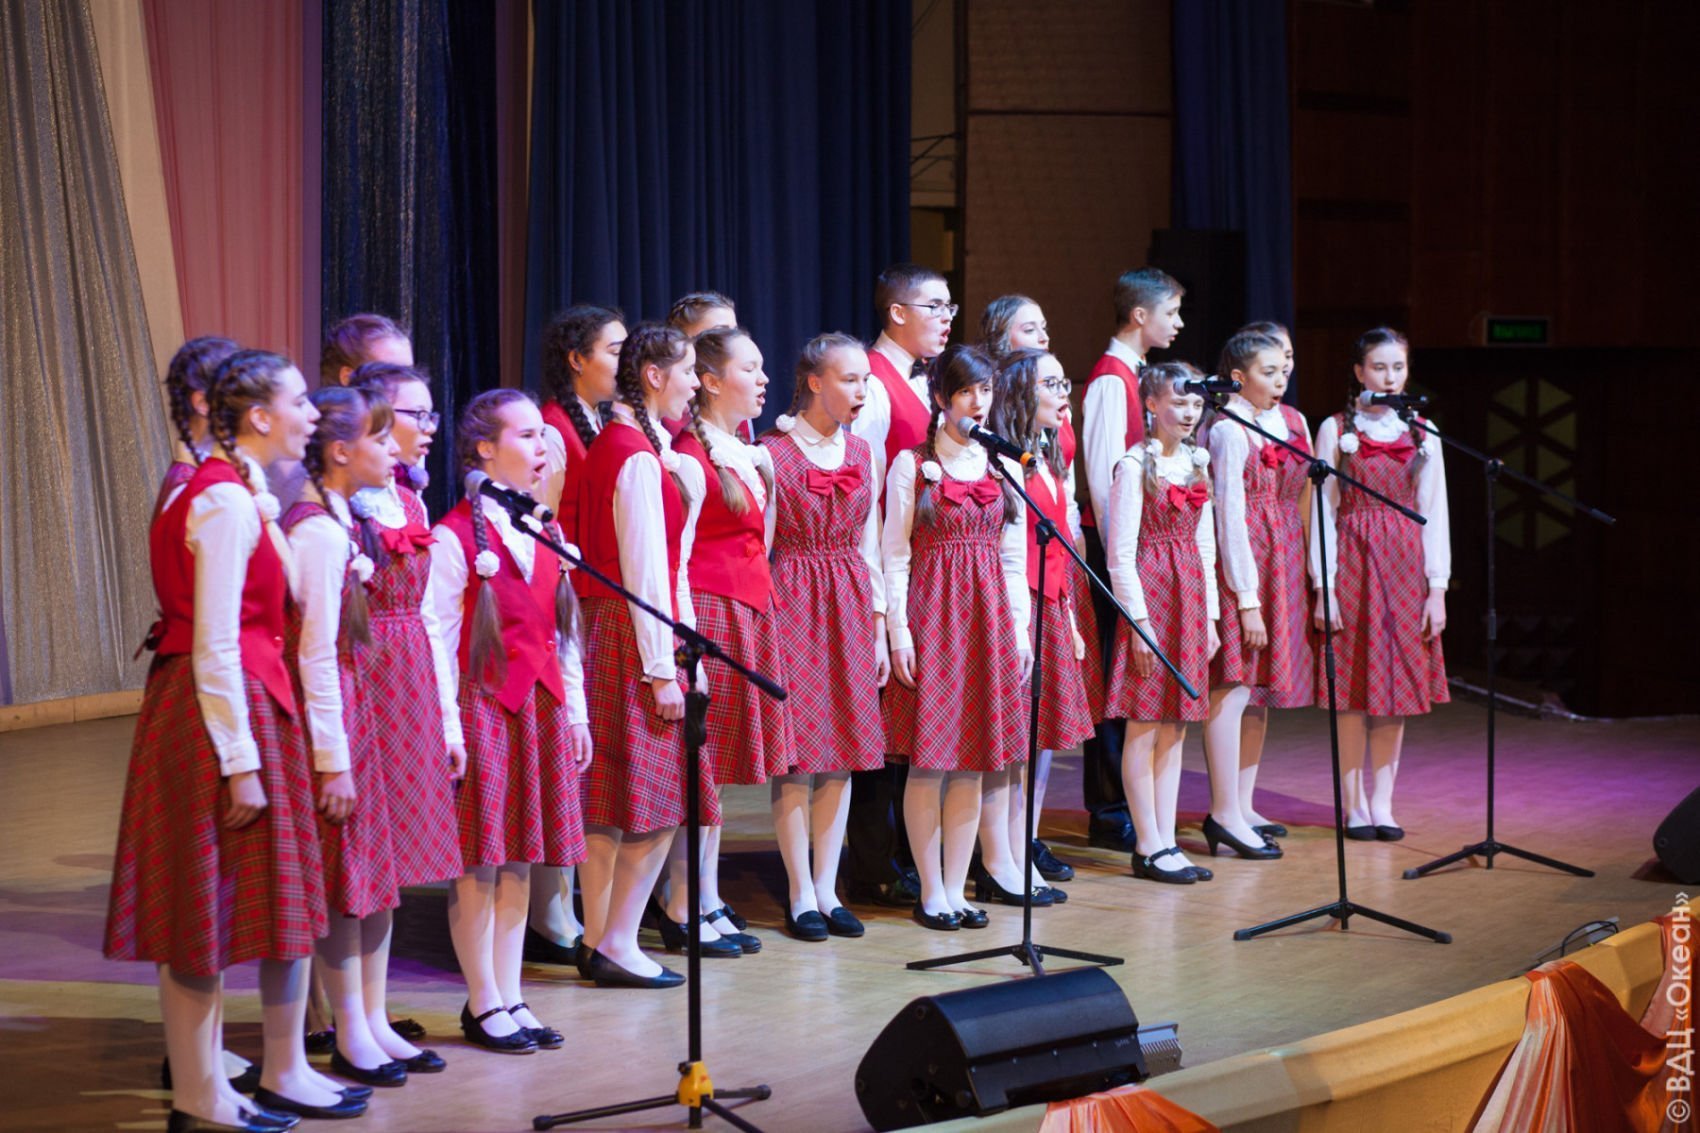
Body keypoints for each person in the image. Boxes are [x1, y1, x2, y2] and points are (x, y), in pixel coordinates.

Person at [426, 390, 591, 1051]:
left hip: (542, 706)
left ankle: (510, 990)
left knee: (522, 855)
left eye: (542, 434)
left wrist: (575, 711)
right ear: (485, 449)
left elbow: (565, 633)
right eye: (526, 435)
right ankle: (481, 998)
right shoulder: (454, 535)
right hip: (485, 707)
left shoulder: (546, 530)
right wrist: (448, 726)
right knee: (481, 860)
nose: (541, 446)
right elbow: (438, 638)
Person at [882, 345, 1031, 931]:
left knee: (972, 761)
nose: (977, 402)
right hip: (934, 617)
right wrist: (898, 633)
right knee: (931, 761)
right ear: (942, 397)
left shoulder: (1002, 465)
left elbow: (1013, 558)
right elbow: (894, 555)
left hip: (987, 618)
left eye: (985, 390)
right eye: (966, 391)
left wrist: (1019, 629)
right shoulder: (912, 464)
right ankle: (930, 890)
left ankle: (956, 886)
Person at [761, 334, 887, 941]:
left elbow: (871, 545)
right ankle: (799, 892)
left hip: (850, 602)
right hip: (793, 600)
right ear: (815, 382)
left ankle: (828, 886)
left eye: (865, 380)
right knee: (798, 756)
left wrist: (881, 628)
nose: (861, 390)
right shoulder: (773, 454)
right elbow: (759, 549)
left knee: (843, 753)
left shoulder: (863, 451)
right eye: (849, 379)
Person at [1311, 328, 1450, 841]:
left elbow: (1435, 512)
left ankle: (1383, 803)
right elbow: (1322, 514)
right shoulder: (1335, 429)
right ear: (1359, 372)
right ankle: (1353, 805)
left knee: (1395, 692)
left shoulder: (1423, 431)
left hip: (1405, 569)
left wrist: (1437, 588)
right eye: (1379, 367)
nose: (1390, 378)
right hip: (1353, 561)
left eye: (1398, 368)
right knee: (1353, 691)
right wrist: (1324, 586)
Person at [1076, 268, 1185, 852]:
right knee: (1114, 680)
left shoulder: (1140, 375)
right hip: (1117, 545)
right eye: (1171, 311)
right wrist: (1126, 554)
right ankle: (1110, 807)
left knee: (1135, 682)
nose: (1179, 323)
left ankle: (1135, 805)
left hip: (1143, 546)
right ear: (1140, 315)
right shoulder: (1109, 380)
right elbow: (1103, 476)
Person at [1103, 362, 1220, 885]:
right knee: (1144, 723)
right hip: (1151, 600)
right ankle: (1147, 843)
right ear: (1151, 405)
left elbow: (1204, 545)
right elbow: (1119, 556)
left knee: (1175, 725)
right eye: (1179, 402)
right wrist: (1140, 622)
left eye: (1196, 403)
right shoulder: (1134, 466)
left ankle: (1167, 839)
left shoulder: (1196, 461)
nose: (1190, 413)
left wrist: (1211, 615)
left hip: (1187, 596)